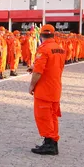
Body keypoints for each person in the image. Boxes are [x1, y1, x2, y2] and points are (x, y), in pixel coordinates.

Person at [28, 24, 65, 155]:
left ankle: (49, 144)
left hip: (44, 89)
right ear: (53, 35)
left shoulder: (43, 49)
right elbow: (54, 66)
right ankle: (52, 142)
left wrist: (32, 85)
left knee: (43, 116)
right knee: (53, 116)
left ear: (41, 35)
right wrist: (35, 66)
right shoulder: (59, 48)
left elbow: (38, 72)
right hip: (55, 87)